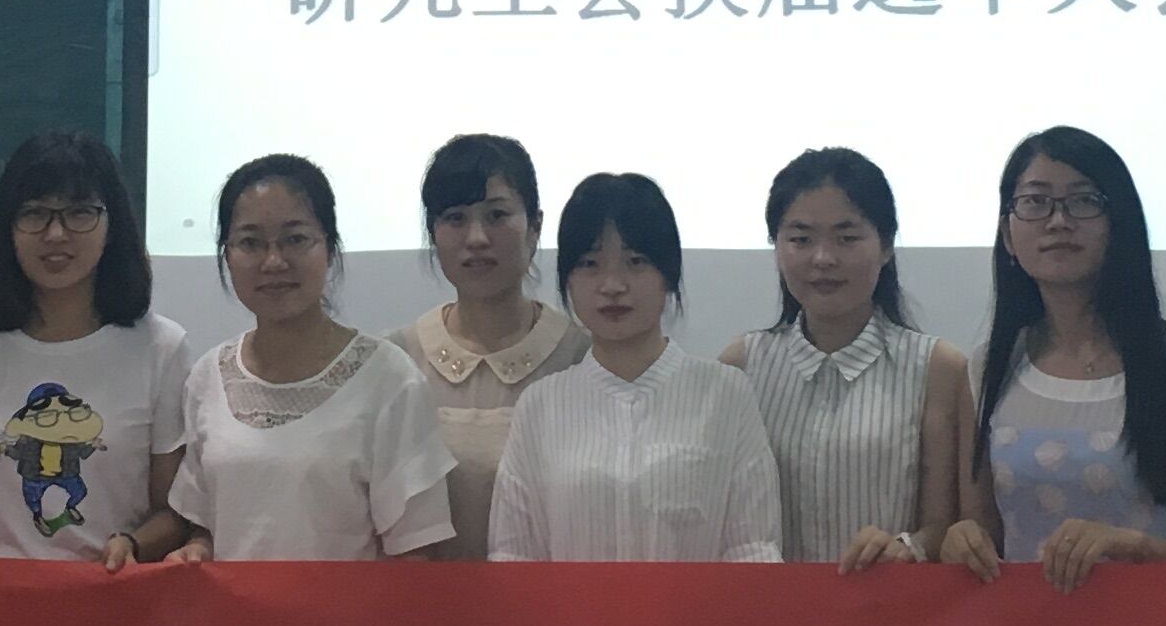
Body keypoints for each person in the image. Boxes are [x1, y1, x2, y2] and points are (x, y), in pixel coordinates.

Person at [964, 128, 1166, 585]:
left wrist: (1141, 550)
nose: (1058, 221)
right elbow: (981, 531)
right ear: (1007, 234)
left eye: (1083, 201)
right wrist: (960, 539)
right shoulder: (987, 369)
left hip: (1152, 623)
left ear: (1118, 224)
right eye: (1035, 202)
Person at [141, 154, 454, 563]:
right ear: (227, 255)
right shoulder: (209, 376)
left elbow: (416, 551)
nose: (274, 261)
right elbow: (206, 525)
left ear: (330, 248)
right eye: (250, 243)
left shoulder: (389, 379)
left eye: (295, 239)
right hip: (233, 607)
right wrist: (196, 550)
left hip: (347, 608)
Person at [0, 129, 191, 564]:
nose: (56, 233)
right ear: (8, 228)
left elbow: (174, 514)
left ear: (112, 225)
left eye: (80, 212)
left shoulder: (161, 348)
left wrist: (134, 544)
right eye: (34, 213)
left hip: (114, 593)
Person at [487, 171, 782, 562]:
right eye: (590, 263)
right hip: (571, 606)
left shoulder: (725, 393)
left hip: (697, 605)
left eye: (636, 262)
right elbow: (514, 555)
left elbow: (753, 548)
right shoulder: (540, 405)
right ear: (567, 280)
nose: (612, 285)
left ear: (669, 274)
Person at [723, 147, 971, 568]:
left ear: (886, 245)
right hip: (771, 603)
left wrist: (906, 547)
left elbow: (944, 526)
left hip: (889, 601)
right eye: (801, 239)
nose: (823, 258)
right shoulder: (741, 366)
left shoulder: (937, 368)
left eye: (847, 238)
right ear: (776, 246)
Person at [398, 133, 579, 558]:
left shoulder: (582, 356)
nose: (476, 237)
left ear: (535, 225)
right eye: (455, 218)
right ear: (433, 232)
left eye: (497, 215)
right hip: (421, 596)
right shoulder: (397, 361)